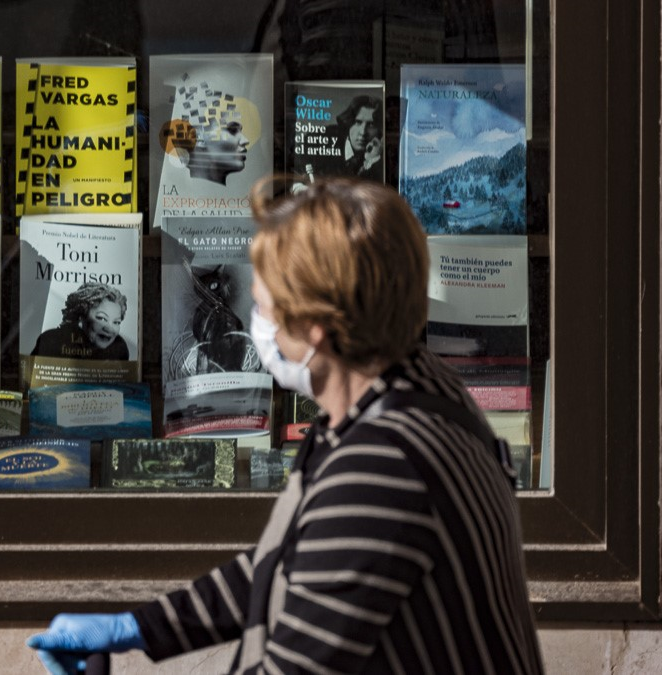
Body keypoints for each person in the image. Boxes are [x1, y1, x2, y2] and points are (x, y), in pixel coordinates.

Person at [27, 176, 543, 674]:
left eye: (265, 302)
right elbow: (292, 563)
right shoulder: (424, 393)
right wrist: (141, 626)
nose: (255, 318)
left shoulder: (382, 466)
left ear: (314, 325)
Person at [31, 282, 130, 361]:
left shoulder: (119, 348)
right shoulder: (51, 340)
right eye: (102, 318)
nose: (110, 329)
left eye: (116, 322)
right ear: (81, 317)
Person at [317, 94, 383, 182]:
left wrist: (373, 160)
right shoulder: (324, 143)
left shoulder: (378, 158)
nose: (363, 132)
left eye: (371, 125)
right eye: (358, 122)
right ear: (348, 122)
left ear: (380, 130)